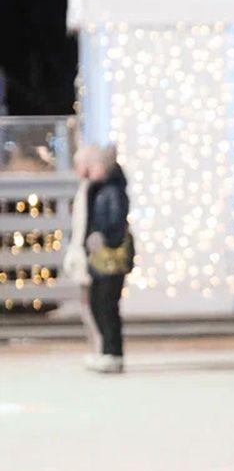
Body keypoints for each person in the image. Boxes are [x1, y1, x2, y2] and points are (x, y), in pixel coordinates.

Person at [62, 144, 134, 374]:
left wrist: (102, 237)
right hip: (97, 258)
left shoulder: (112, 190)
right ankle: (105, 351)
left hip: (109, 259)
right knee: (98, 304)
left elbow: (115, 221)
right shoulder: (97, 189)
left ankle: (112, 353)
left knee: (106, 305)